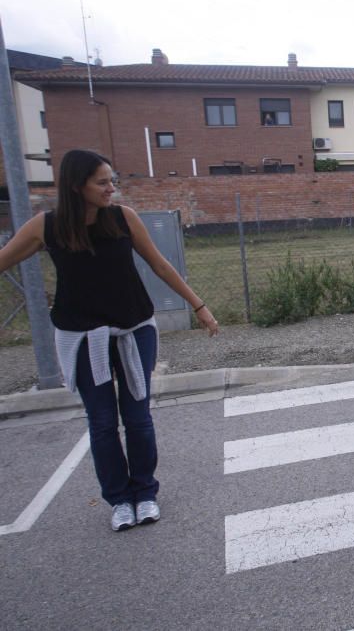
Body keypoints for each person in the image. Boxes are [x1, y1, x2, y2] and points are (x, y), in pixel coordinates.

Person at [0, 149, 220, 532]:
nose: (111, 189)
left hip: (135, 331)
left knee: (137, 418)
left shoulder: (122, 218)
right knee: (102, 422)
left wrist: (198, 304)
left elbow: (159, 264)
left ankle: (145, 493)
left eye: (112, 180)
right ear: (75, 185)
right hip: (83, 338)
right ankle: (119, 500)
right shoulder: (45, 227)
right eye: (102, 182)